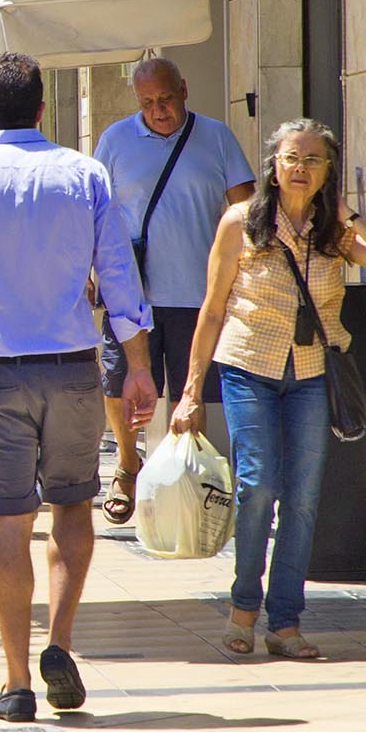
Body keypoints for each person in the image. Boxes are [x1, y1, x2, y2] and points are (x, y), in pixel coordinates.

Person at [0, 53, 155, 723]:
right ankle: (61, 641)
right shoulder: (84, 173)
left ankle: (17, 679)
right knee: (73, 506)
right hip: (74, 368)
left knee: (8, 525)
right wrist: (137, 364)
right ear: (44, 108)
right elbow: (118, 275)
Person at [172, 119, 366, 661]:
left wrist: (352, 216)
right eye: (290, 157)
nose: (300, 168)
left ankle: (284, 623)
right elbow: (212, 310)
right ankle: (242, 609)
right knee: (258, 485)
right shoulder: (241, 223)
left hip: (310, 374)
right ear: (273, 166)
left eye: (312, 160)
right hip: (248, 366)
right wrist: (190, 391)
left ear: (327, 170)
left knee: (303, 499)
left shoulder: (337, 231)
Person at [93, 56, 255, 525]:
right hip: (132, 293)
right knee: (118, 381)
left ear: (183, 90)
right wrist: (89, 269)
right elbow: (95, 210)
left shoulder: (217, 137)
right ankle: (127, 464)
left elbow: (245, 208)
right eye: (147, 103)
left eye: (165, 99)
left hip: (198, 294)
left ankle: (191, 478)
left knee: (193, 390)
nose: (158, 110)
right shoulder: (115, 141)